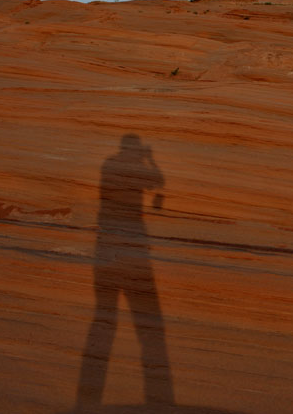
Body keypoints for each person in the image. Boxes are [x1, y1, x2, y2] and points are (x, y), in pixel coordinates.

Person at [77, 134, 174, 406]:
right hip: (130, 239)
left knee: (105, 312)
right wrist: (150, 159)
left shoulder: (109, 163)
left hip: (107, 240)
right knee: (145, 322)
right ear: (132, 150)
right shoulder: (128, 166)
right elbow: (159, 182)